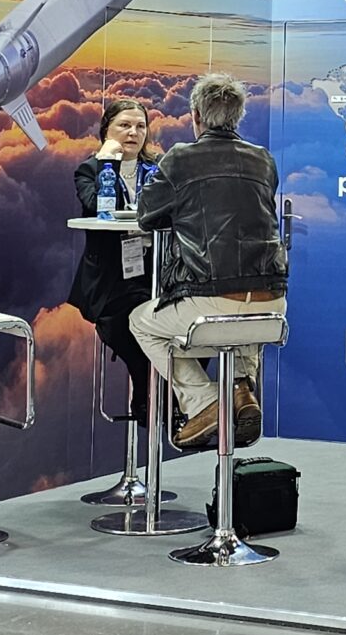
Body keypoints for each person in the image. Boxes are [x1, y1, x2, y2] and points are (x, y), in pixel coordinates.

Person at [130, 75, 286, 451]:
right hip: (273, 306)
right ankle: (242, 387)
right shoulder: (263, 160)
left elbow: (147, 216)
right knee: (243, 318)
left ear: (196, 116)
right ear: (238, 116)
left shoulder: (180, 158)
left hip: (210, 305)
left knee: (140, 322)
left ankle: (203, 401)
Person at [69, 99, 156, 424]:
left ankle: (159, 398)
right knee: (130, 328)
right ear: (107, 130)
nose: (133, 133)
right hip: (110, 283)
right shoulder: (89, 169)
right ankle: (149, 397)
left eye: (140, 126)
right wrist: (109, 163)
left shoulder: (157, 169)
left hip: (151, 274)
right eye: (125, 125)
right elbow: (97, 206)